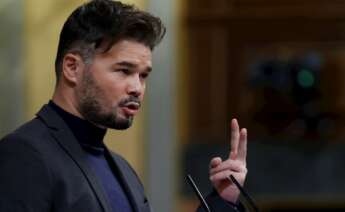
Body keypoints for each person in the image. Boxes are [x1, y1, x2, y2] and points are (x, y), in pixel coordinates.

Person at [0, 0, 248, 211]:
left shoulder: (123, 169)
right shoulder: (24, 154)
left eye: (143, 75)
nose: (137, 88)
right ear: (72, 68)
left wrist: (223, 202)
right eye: (124, 70)